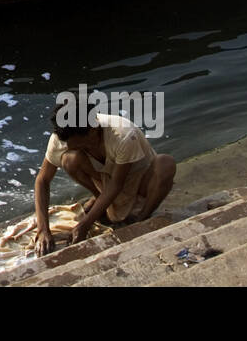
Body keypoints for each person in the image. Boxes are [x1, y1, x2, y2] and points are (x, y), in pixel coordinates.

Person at [33, 99, 176, 256]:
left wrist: (85, 224)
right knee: (69, 159)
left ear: (93, 130)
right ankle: (100, 200)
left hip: (137, 182)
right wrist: (43, 230)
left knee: (166, 163)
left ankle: (142, 218)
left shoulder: (123, 135)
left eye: (80, 144)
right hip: (106, 183)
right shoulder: (63, 137)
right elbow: (42, 180)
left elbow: (116, 184)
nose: (70, 146)